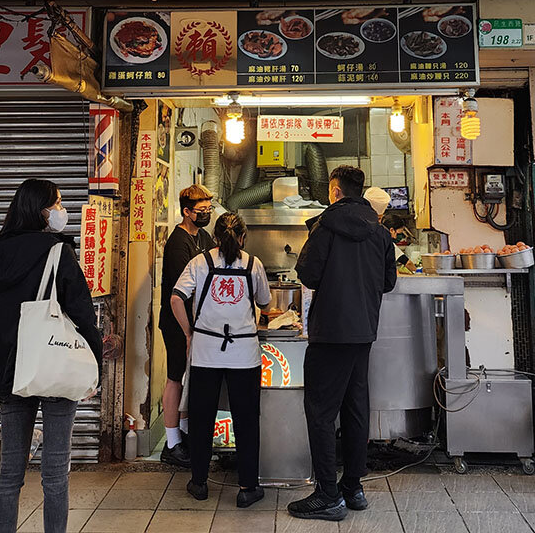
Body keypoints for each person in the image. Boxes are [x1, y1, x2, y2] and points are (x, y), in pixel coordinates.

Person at [0, 179, 104, 533]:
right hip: (55, 365)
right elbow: (81, 313)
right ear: (41, 210)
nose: (61, 211)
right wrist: (95, 369)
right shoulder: (57, 253)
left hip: (11, 372)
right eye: (58, 204)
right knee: (55, 471)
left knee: (10, 471)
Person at [289, 167, 397, 522]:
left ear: (335, 192)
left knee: (320, 412)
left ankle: (327, 494)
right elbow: (388, 282)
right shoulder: (380, 234)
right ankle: (353, 487)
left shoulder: (326, 226)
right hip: (363, 332)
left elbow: (307, 274)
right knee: (355, 409)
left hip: (330, 332)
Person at [170, 211, 269, 508]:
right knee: (246, 420)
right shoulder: (253, 264)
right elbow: (264, 302)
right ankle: (247, 487)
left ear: (214, 237)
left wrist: (190, 333)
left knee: (202, 418)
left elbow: (176, 298)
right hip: (243, 354)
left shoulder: (199, 263)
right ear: (242, 237)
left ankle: (199, 483)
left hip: (206, 351)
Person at [158, 184, 215, 468]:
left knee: (190, 380)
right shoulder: (177, 242)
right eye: (202, 210)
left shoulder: (203, 236)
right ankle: (171, 444)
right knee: (175, 377)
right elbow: (181, 292)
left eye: (209, 209)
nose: (206, 214)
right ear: (187, 212)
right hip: (176, 322)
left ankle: (185, 436)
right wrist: (187, 331)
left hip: (198, 322)